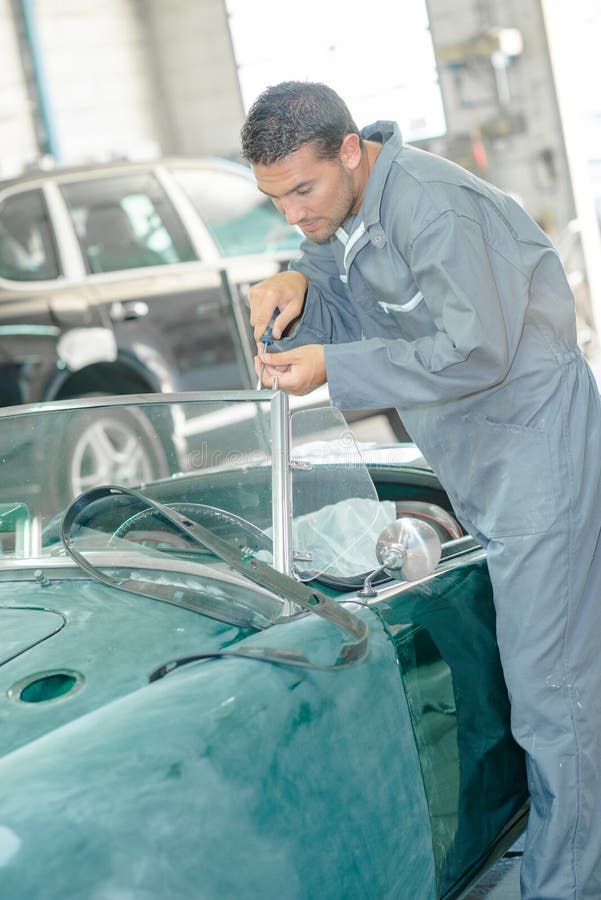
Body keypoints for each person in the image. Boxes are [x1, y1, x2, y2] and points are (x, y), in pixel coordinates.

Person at [240, 80, 601, 899]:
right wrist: (292, 288)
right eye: (276, 199)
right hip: (481, 462)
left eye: (304, 189)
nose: (295, 214)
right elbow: (346, 304)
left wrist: (334, 366)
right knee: (556, 679)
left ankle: (564, 887)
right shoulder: (341, 215)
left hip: (538, 457)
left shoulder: (433, 206)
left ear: (348, 150)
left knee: (555, 699)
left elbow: (474, 352)